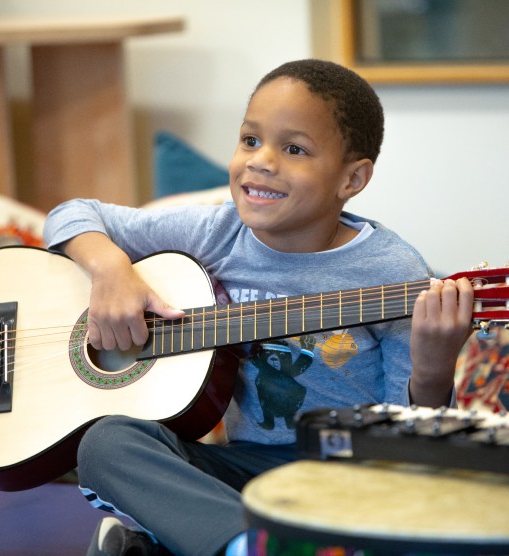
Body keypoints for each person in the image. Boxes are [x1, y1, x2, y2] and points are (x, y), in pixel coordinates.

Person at [43, 59, 474, 556]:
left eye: (294, 149)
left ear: (351, 179)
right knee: (106, 443)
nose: (261, 161)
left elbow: (412, 445)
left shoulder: (393, 273)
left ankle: (178, 545)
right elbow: (71, 215)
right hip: (244, 471)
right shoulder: (218, 232)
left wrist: (435, 372)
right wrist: (111, 271)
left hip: (352, 480)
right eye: (250, 140)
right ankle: (248, 545)